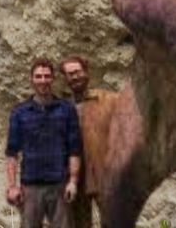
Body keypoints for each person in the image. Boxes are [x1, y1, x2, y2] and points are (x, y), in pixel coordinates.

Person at [5, 57, 81, 228]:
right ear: (31, 79)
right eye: (38, 76)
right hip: (30, 187)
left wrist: (73, 182)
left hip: (60, 185)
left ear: (53, 79)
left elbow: (74, 150)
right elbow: (11, 154)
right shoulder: (19, 113)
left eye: (47, 76)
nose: (43, 80)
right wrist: (12, 186)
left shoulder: (67, 110)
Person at [59, 56, 115, 228]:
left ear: (86, 72)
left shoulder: (110, 100)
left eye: (77, 72)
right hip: (74, 180)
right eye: (69, 74)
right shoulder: (61, 108)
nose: (74, 77)